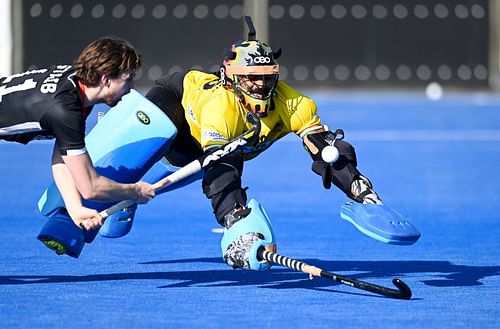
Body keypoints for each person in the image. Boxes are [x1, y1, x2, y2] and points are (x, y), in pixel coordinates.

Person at [135, 18, 385, 269]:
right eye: (251, 78)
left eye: (267, 77)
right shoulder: (220, 108)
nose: (261, 85)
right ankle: (119, 181)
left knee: (187, 163)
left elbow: (325, 149)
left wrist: (360, 189)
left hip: (197, 149)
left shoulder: (293, 103)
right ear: (230, 78)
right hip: (175, 100)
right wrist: (236, 220)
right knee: (188, 147)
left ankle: (133, 194)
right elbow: (220, 166)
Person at [0, 37, 156, 230]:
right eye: (128, 78)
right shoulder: (66, 112)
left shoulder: (77, 85)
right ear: (106, 79)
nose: (131, 88)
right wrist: (135, 191)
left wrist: (75, 208)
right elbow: (91, 188)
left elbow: (63, 159)